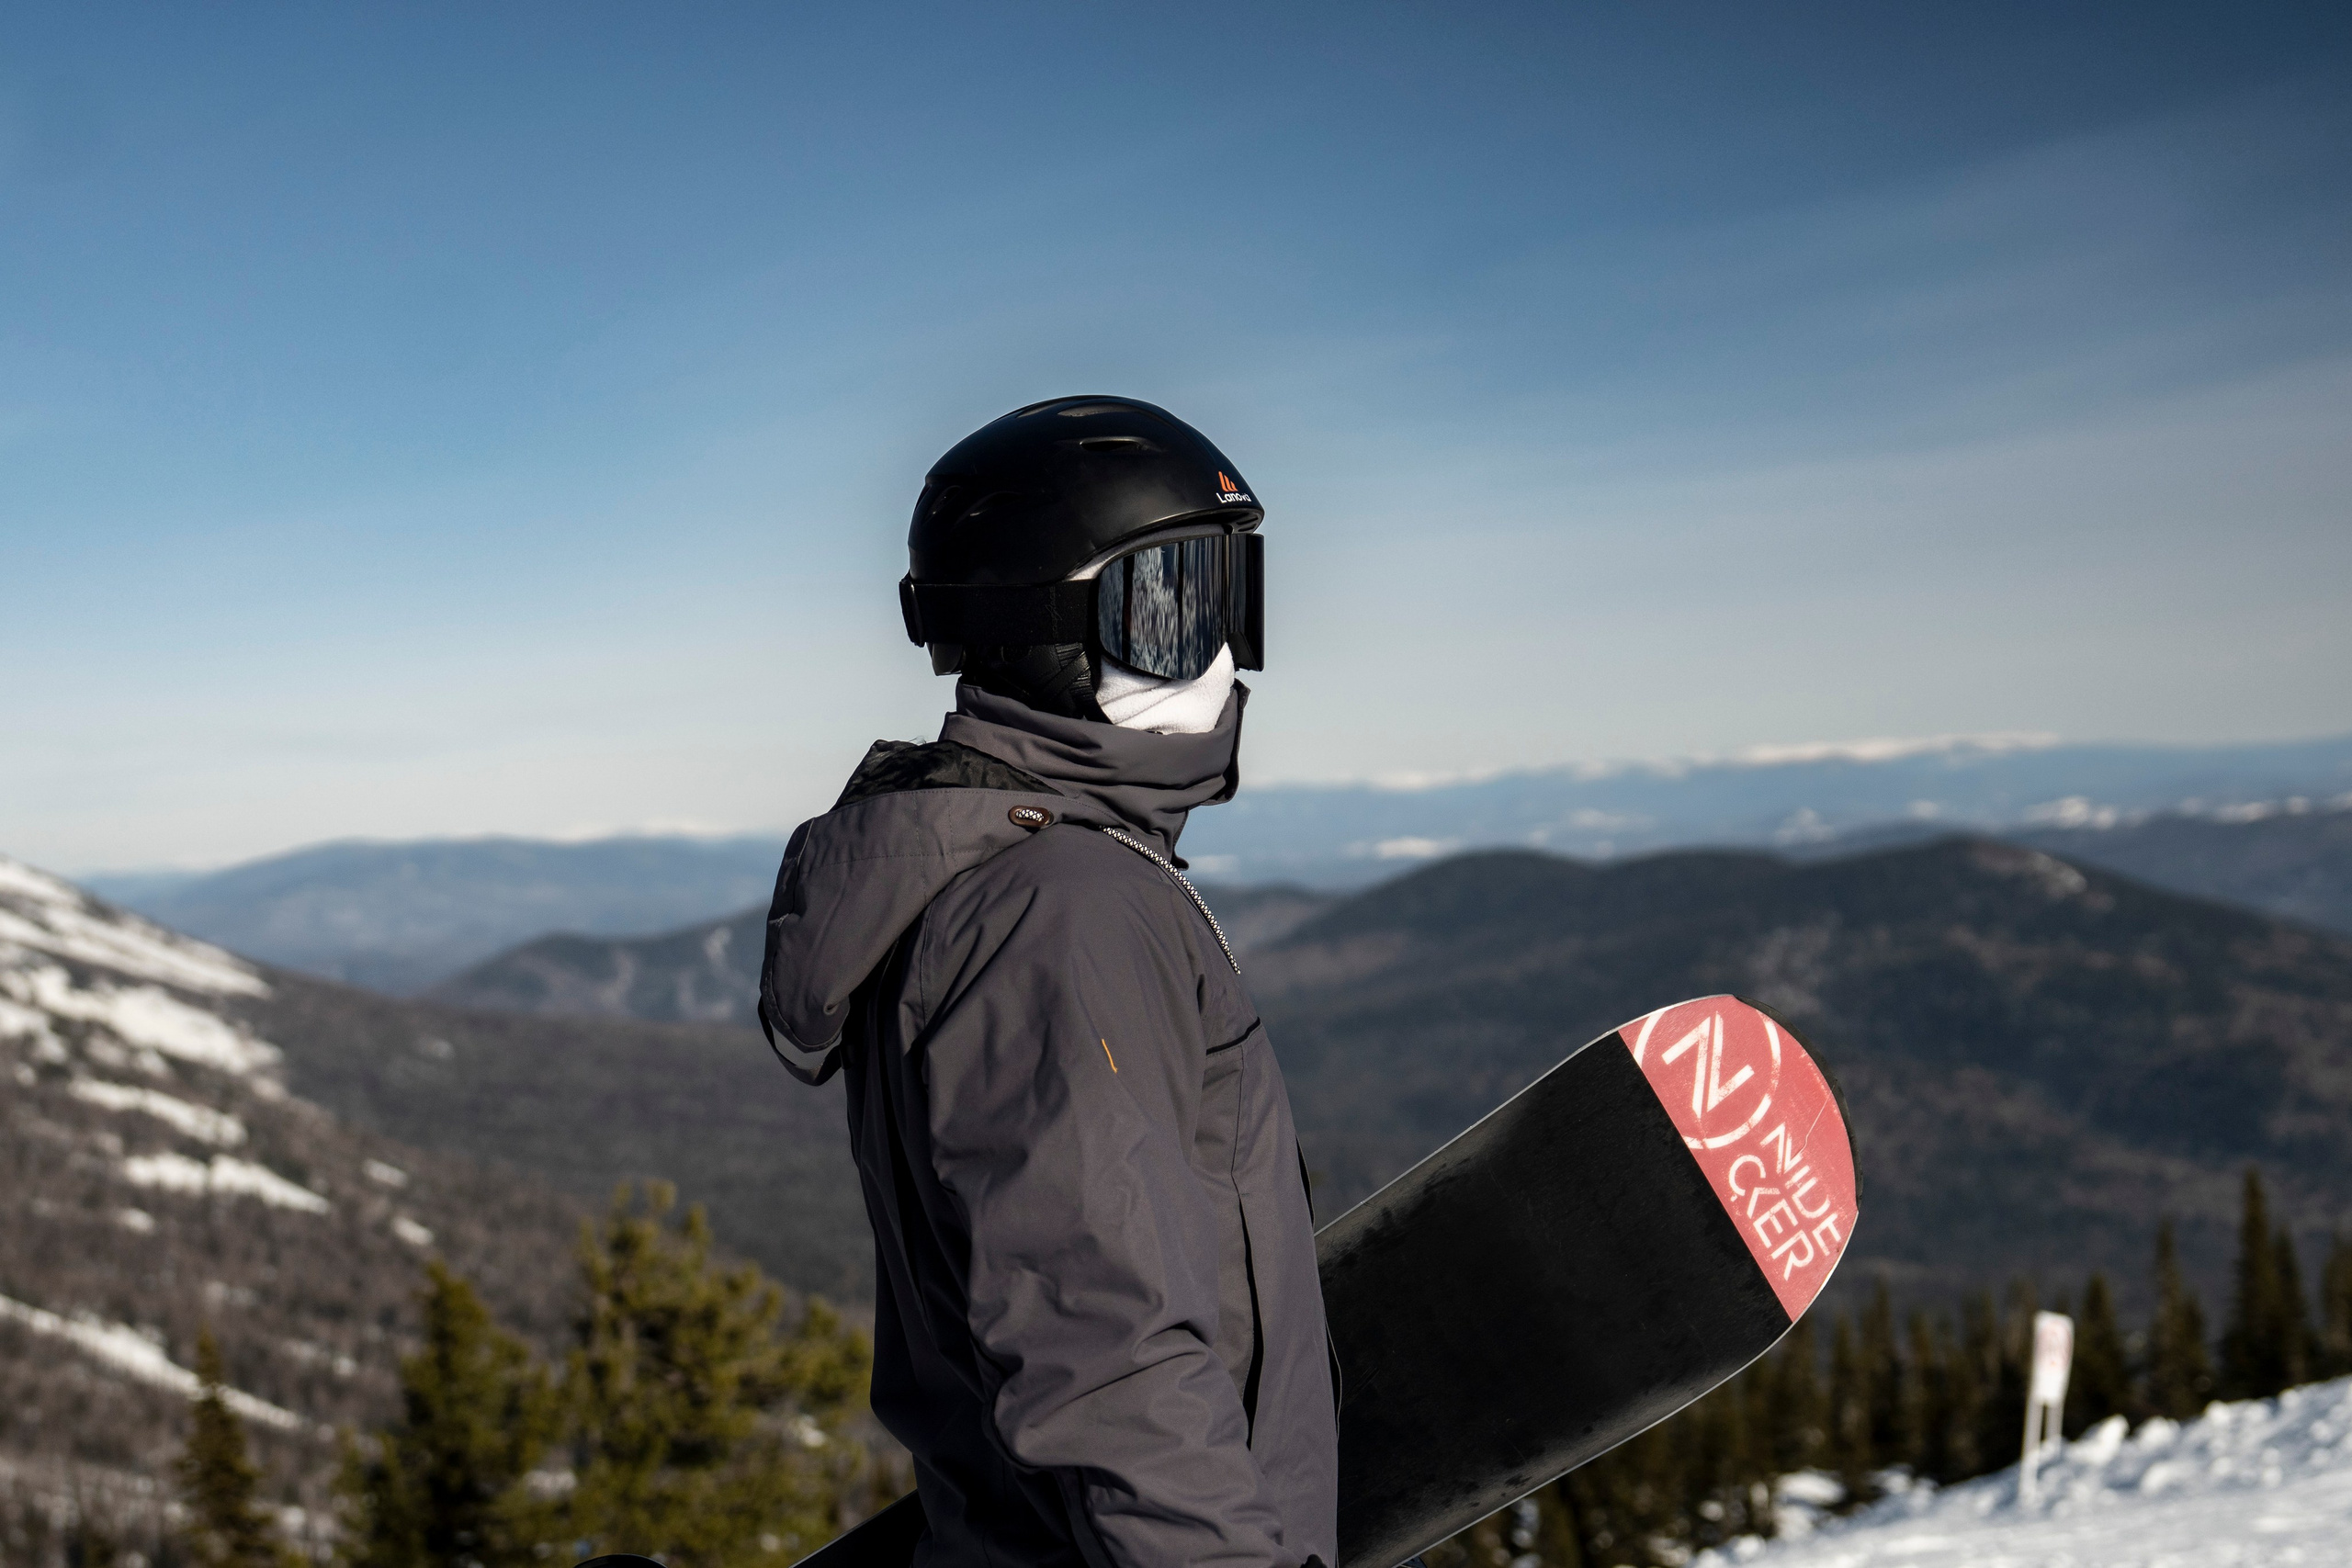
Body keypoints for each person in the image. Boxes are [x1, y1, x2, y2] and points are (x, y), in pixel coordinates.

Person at [759, 396, 1338, 1568]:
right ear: (1040, 632)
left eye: (1231, 596)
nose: (1221, 658)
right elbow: (1106, 1359)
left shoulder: (1011, 875)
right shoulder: (1060, 908)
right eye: (1170, 609)